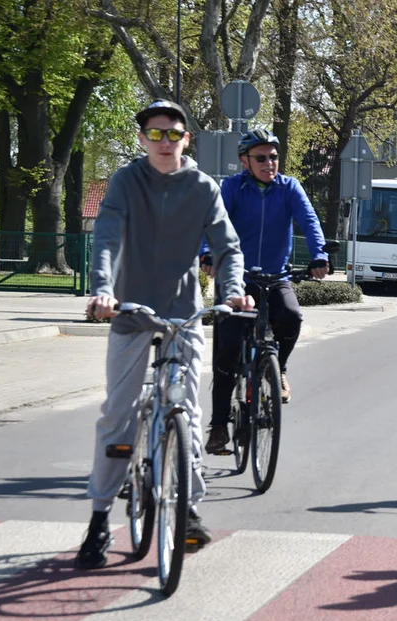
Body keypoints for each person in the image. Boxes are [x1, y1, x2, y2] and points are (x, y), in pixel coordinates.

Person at [78, 99, 253, 570]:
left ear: (185, 140)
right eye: (154, 134)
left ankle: (189, 510)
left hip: (183, 316)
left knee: (188, 411)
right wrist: (102, 292)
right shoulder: (126, 181)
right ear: (142, 139)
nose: (163, 142)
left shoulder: (202, 188)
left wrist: (232, 291)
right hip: (132, 312)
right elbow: (108, 237)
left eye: (172, 134)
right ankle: (98, 521)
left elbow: (227, 246)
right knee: (117, 417)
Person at [204, 129, 329, 455]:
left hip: (277, 276)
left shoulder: (289, 188)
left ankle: (279, 368)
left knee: (291, 316)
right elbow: (213, 222)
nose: (269, 163)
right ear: (245, 161)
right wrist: (208, 253)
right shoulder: (231, 188)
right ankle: (218, 426)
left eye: (274, 156)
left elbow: (309, 220)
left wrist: (320, 255)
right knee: (228, 351)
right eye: (261, 157)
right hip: (236, 279)